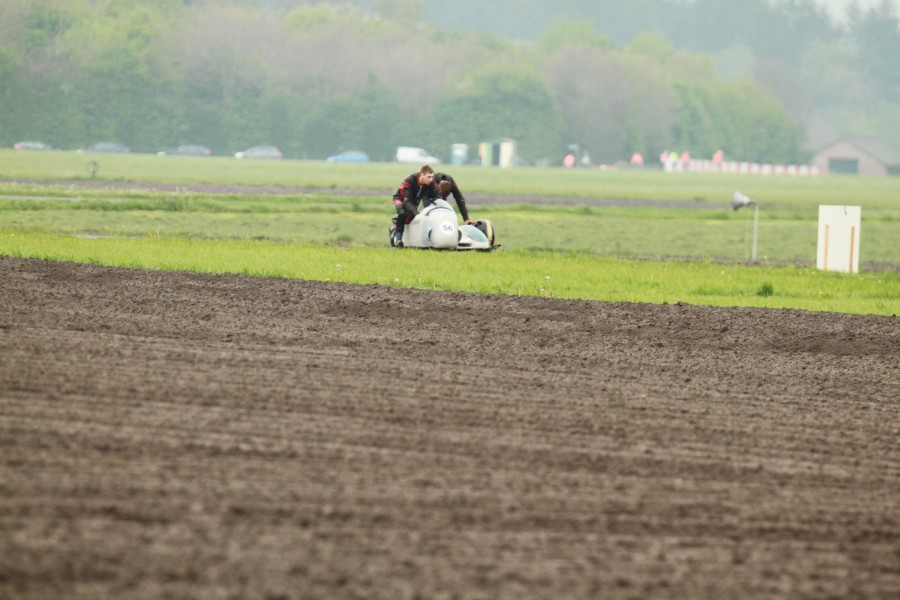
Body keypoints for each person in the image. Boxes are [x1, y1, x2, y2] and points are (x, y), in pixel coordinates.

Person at [392, 165, 439, 246]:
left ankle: (397, 224)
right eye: (428, 177)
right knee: (403, 213)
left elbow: (437, 197)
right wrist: (417, 214)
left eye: (432, 177)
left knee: (410, 219)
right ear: (422, 175)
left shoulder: (431, 183)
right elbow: (406, 202)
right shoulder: (410, 180)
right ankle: (398, 239)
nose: (431, 180)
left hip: (413, 200)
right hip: (400, 199)